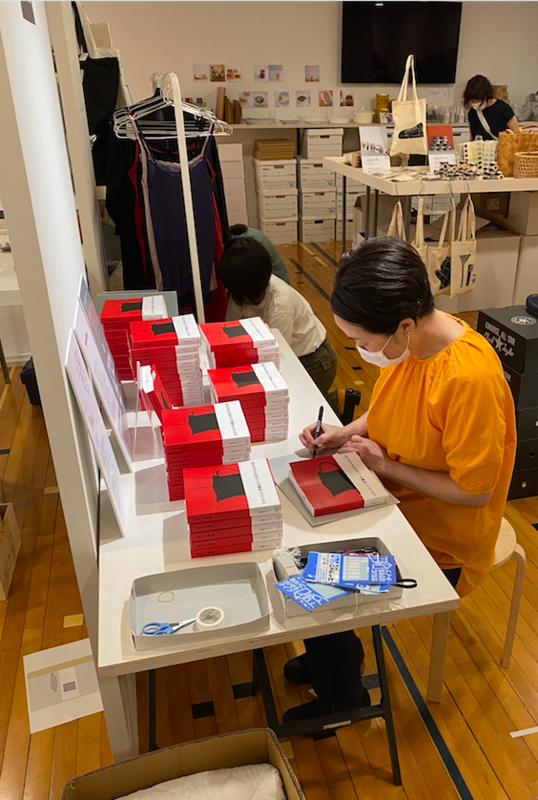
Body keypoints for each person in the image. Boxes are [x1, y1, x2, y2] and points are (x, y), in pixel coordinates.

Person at [284, 236, 516, 724]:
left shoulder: (467, 379)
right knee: (296, 542)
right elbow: (389, 409)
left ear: (404, 326)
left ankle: (344, 697)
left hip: (441, 542)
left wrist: (385, 466)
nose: (361, 351)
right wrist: (345, 432)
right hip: (394, 502)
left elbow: (475, 492)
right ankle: (336, 652)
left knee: (311, 574)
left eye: (364, 343)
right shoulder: (412, 347)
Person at [219, 237, 338, 407]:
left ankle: (337, 402)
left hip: (313, 362)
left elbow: (276, 356)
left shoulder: (281, 303)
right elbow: (230, 331)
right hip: (284, 355)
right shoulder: (240, 292)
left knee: (295, 407)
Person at [463, 75, 518, 140]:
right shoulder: (472, 113)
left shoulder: (503, 108)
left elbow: (517, 134)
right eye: (472, 101)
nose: (475, 102)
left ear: (486, 96)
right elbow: (472, 139)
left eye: (477, 100)